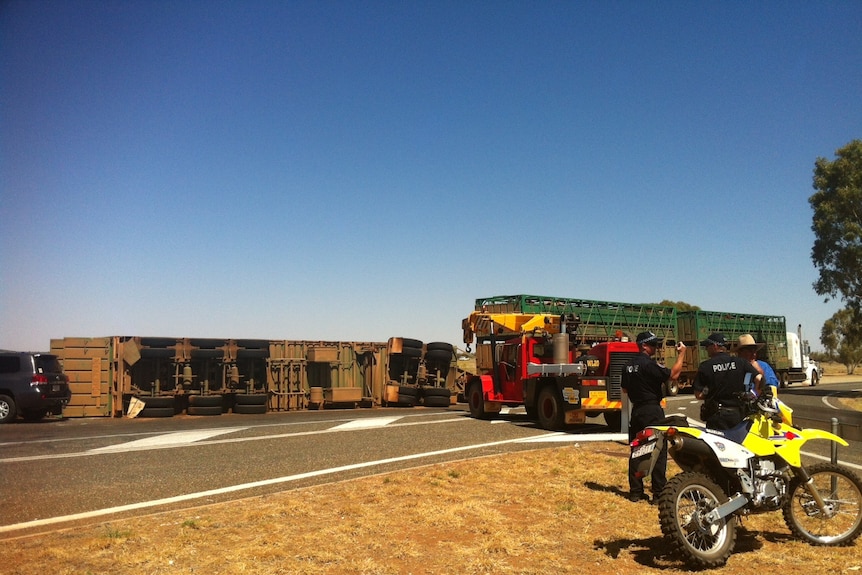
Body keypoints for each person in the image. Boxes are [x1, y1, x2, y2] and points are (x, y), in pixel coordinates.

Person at [622, 331, 686, 503]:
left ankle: (636, 491)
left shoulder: (628, 366)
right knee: (658, 450)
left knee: (637, 450)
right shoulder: (649, 365)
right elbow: (673, 376)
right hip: (652, 410)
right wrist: (681, 355)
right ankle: (658, 492)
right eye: (653, 345)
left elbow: (625, 390)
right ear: (644, 345)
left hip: (637, 411)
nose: (656, 348)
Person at [693, 332, 762, 429]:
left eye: (707, 346)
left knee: (717, 443)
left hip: (717, 417)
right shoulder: (740, 362)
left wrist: (708, 390)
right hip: (738, 414)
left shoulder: (705, 366)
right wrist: (757, 395)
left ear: (715, 346)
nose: (706, 349)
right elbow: (759, 378)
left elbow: (698, 395)